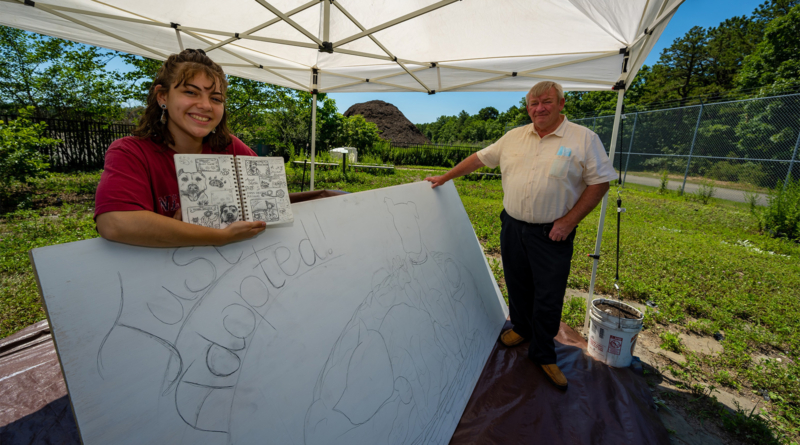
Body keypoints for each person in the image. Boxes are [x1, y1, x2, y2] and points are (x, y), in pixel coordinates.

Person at [426, 81, 617, 390]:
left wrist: (568, 222)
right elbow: (479, 158)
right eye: (533, 103)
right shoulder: (514, 137)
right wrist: (446, 177)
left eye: (546, 102)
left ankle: (543, 354)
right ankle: (521, 328)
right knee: (516, 283)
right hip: (513, 226)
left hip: (552, 232)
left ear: (561, 104)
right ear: (527, 107)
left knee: (548, 294)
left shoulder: (584, 139)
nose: (539, 108)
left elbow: (600, 183)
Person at [95, 49, 266, 247]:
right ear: (162, 97)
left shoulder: (230, 147)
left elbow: (271, 195)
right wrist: (220, 236)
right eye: (191, 92)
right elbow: (114, 223)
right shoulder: (130, 151)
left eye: (216, 99)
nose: (205, 105)